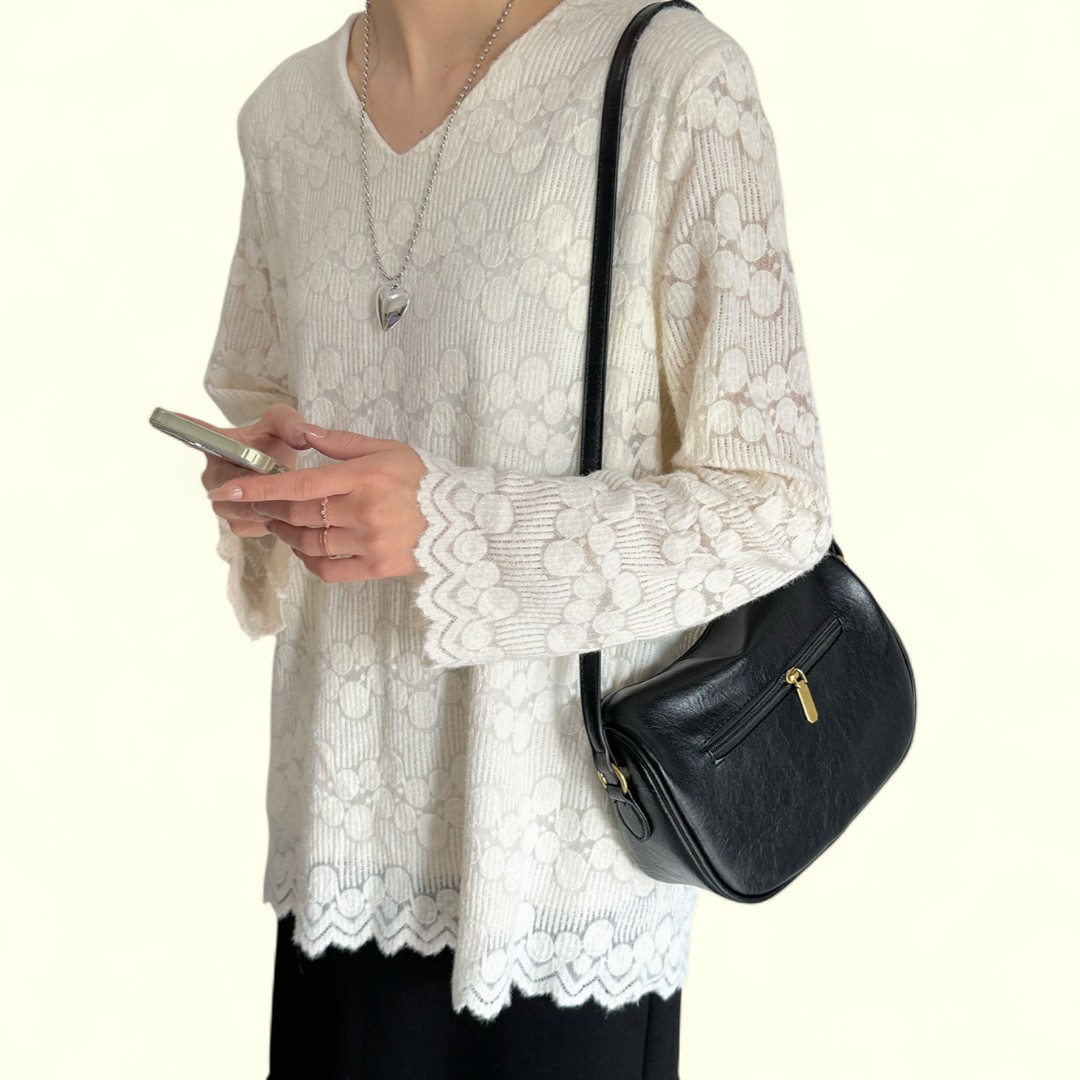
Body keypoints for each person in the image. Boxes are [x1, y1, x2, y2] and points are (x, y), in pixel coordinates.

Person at [194, 0, 833, 1076]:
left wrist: (450, 526)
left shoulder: (673, 79)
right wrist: (266, 487)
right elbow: (262, 396)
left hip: (558, 879)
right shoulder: (285, 115)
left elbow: (774, 504)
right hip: (338, 847)